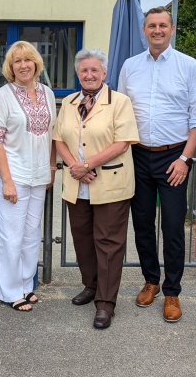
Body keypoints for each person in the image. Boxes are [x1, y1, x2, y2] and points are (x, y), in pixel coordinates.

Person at [118, 6, 196, 322]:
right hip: (138, 155)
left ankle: (172, 292)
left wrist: (185, 158)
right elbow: (120, 113)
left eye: (163, 25)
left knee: (172, 226)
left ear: (172, 29)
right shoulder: (130, 66)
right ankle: (151, 280)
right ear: (144, 30)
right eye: (151, 25)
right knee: (142, 222)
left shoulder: (189, 66)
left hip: (175, 157)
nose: (157, 30)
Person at [53, 48, 139, 329]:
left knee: (108, 243)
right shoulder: (68, 102)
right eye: (84, 70)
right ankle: (91, 285)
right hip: (77, 183)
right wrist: (74, 166)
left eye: (94, 70)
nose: (89, 75)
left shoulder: (120, 102)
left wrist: (87, 164)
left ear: (104, 73)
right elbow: (59, 139)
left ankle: (105, 302)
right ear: (77, 74)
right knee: (82, 239)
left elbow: (122, 142)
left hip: (110, 183)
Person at [0, 41, 57, 312]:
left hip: (39, 175)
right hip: (13, 175)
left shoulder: (48, 93)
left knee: (31, 235)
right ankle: (8, 290)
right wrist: (6, 181)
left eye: (28, 59)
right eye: (17, 61)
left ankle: (26, 284)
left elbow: (51, 135)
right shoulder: (1, 96)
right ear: (10, 66)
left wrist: (51, 169)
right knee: (10, 235)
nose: (23, 65)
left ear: (37, 63)